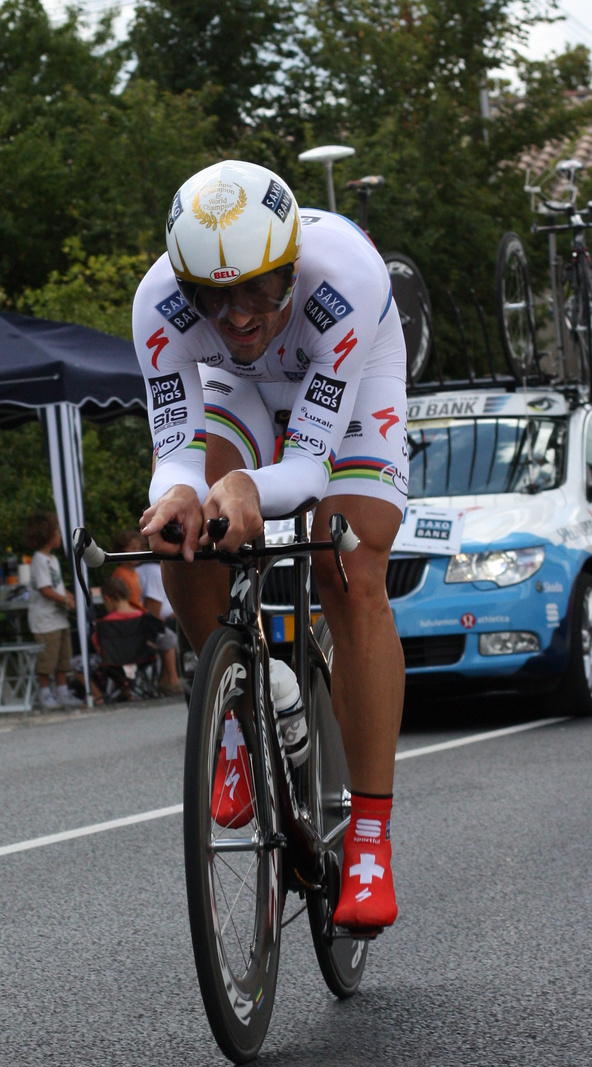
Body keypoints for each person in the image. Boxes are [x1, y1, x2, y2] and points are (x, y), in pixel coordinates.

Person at [133, 159, 408, 934]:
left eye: (259, 288)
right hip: (238, 390)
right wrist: (182, 495)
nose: (237, 313)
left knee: (345, 565)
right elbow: (176, 455)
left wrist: (251, 489)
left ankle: (370, 836)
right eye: (212, 296)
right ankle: (238, 708)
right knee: (182, 535)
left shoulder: (343, 281)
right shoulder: (157, 303)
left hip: (347, 376)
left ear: (291, 264)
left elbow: (311, 467)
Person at [112, 528, 183, 695]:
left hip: (139, 617)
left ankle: (166, 680)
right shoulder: (121, 574)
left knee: (167, 636)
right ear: (121, 551)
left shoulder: (133, 573)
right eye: (132, 549)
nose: (137, 552)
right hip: (133, 621)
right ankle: (171, 680)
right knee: (168, 637)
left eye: (138, 548)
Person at [25, 511, 82, 710]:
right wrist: (66, 600)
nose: (60, 535)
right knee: (47, 659)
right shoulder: (39, 560)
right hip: (45, 621)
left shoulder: (52, 560)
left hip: (59, 619)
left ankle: (62, 691)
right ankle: (45, 694)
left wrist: (68, 595)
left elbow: (55, 586)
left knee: (62, 657)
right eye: (57, 531)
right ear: (48, 535)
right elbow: (45, 590)